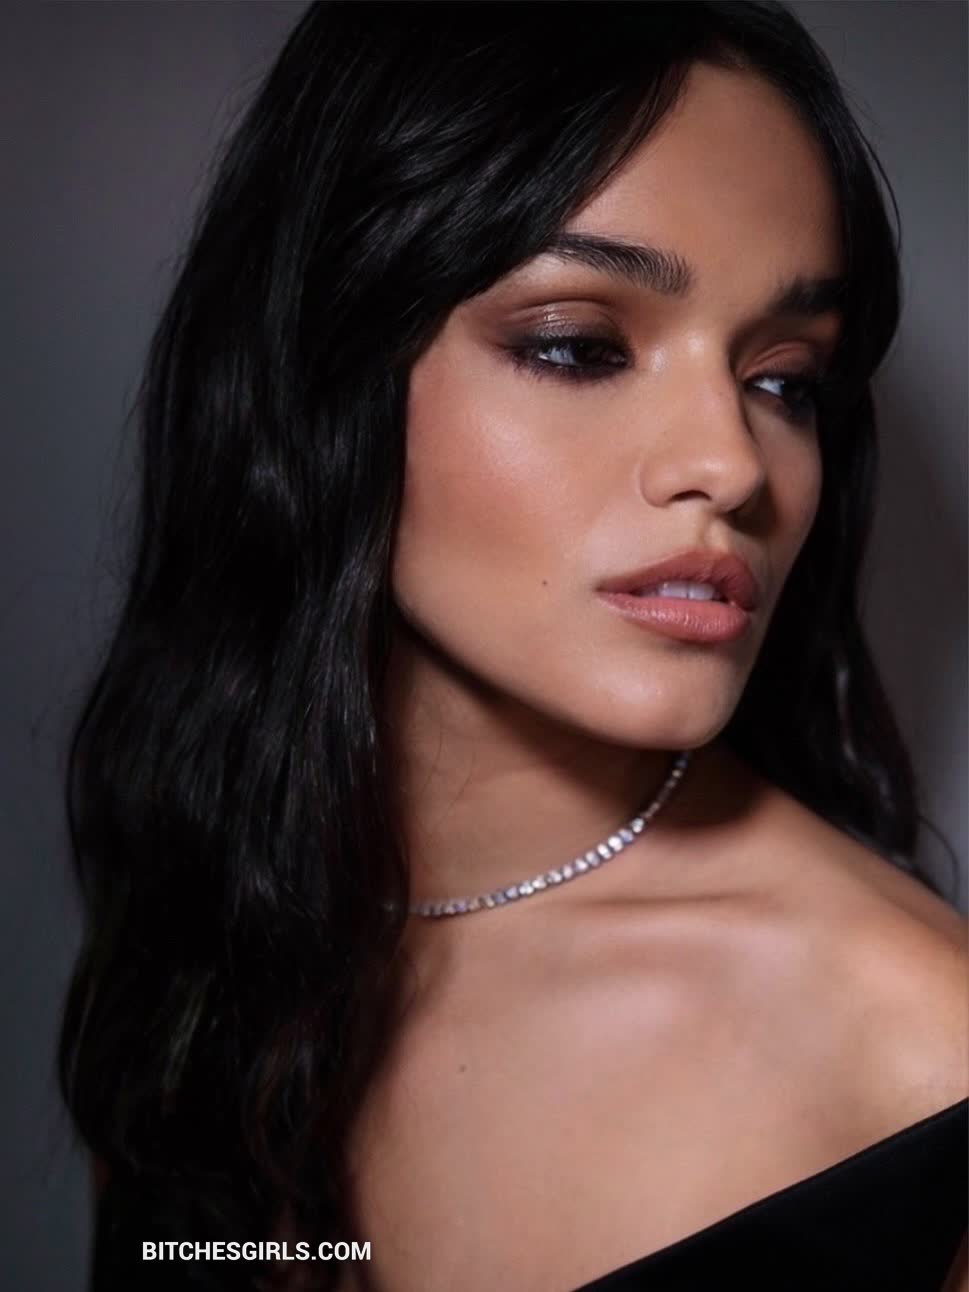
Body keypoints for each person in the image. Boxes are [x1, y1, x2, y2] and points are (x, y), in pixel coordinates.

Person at [59, 3, 967, 1290]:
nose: (731, 462)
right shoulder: (208, 910)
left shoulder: (923, 1060)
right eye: (578, 346)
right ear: (325, 375)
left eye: (783, 379)